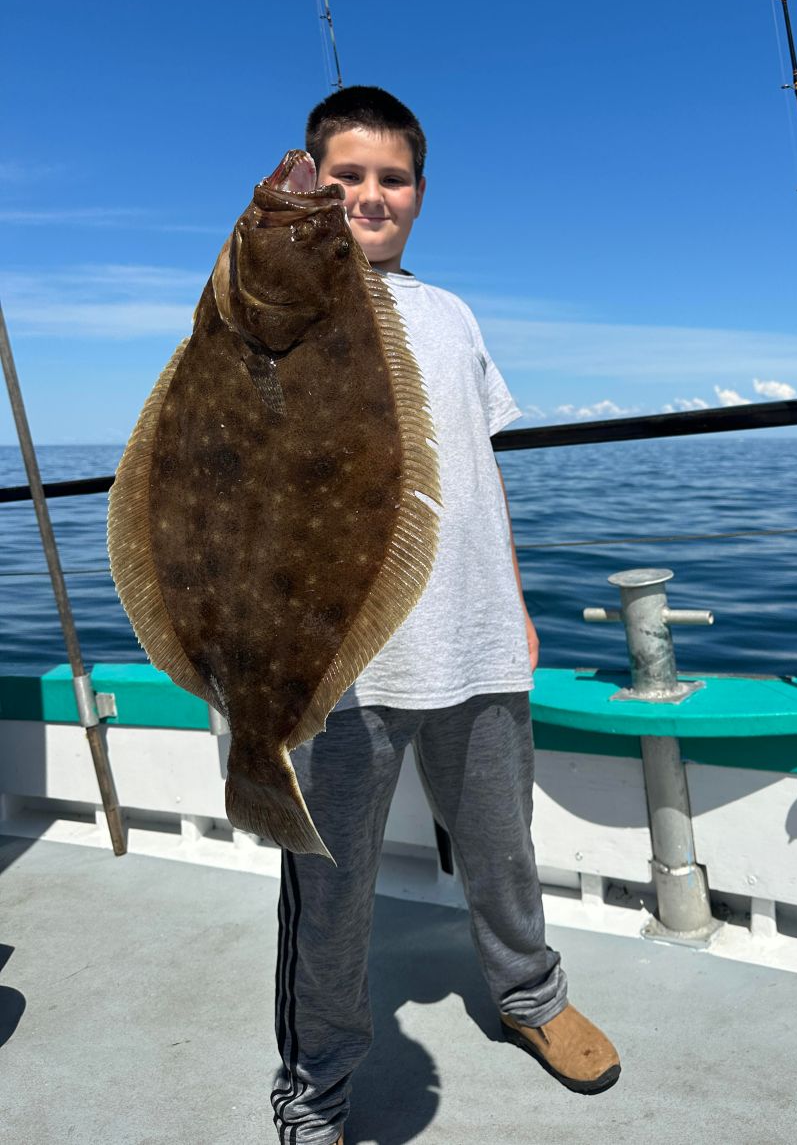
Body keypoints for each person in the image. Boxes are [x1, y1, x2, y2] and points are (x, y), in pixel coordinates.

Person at [270, 86, 620, 1145]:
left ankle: (530, 995)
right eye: (346, 177)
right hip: (344, 660)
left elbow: (480, 471)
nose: (370, 196)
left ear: (420, 192)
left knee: (504, 846)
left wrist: (512, 600)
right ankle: (316, 1081)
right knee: (330, 892)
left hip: (476, 634)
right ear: (313, 183)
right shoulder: (279, 304)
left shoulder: (454, 314)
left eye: (393, 177)